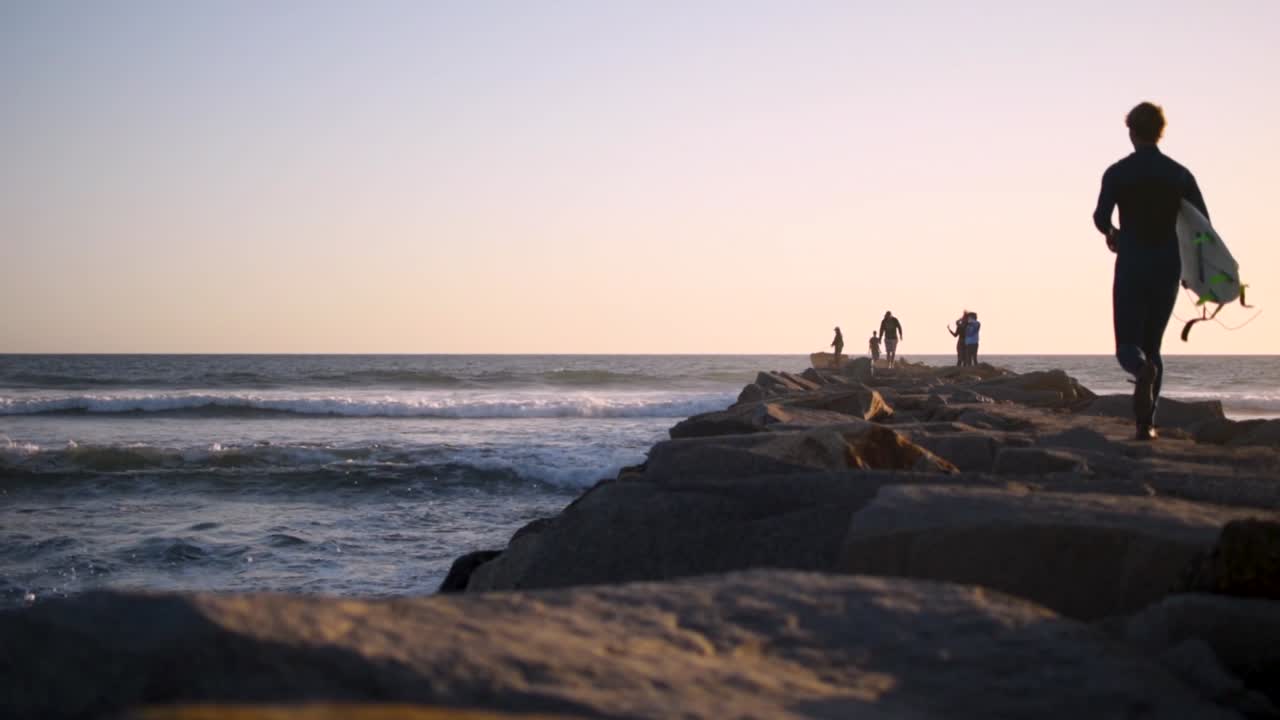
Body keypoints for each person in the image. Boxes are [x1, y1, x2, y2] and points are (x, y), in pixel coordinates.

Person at [1093, 101, 1209, 440]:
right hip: (1167, 265)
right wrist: (1197, 270)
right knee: (1154, 344)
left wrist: (1112, 234)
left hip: (1131, 262)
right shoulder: (1179, 174)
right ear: (1161, 132)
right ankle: (1147, 424)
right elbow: (1202, 225)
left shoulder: (1118, 172)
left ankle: (1139, 371)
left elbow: (1100, 217)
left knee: (1128, 346)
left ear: (1131, 132)